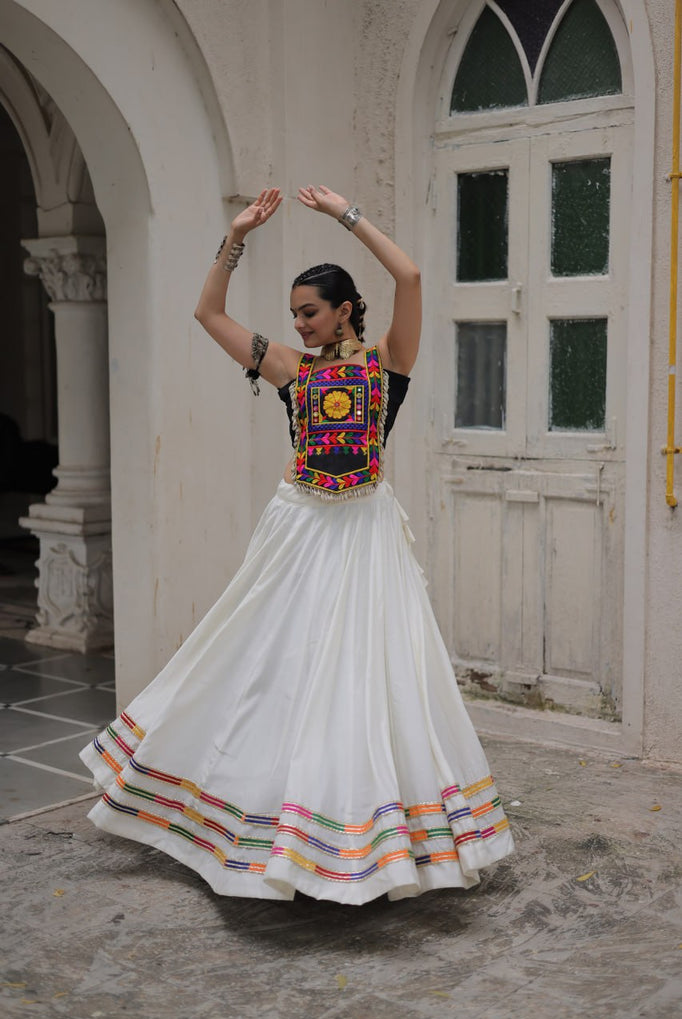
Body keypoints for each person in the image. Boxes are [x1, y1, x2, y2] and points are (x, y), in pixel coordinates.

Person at [80, 186, 514, 904]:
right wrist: (236, 236)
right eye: (294, 316)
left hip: (365, 533)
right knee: (269, 666)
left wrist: (346, 215)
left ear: (345, 309)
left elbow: (408, 278)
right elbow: (208, 314)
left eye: (311, 313)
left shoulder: (387, 363)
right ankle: (253, 816)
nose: (302, 326)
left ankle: (361, 837)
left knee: (370, 676)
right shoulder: (288, 367)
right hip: (301, 529)